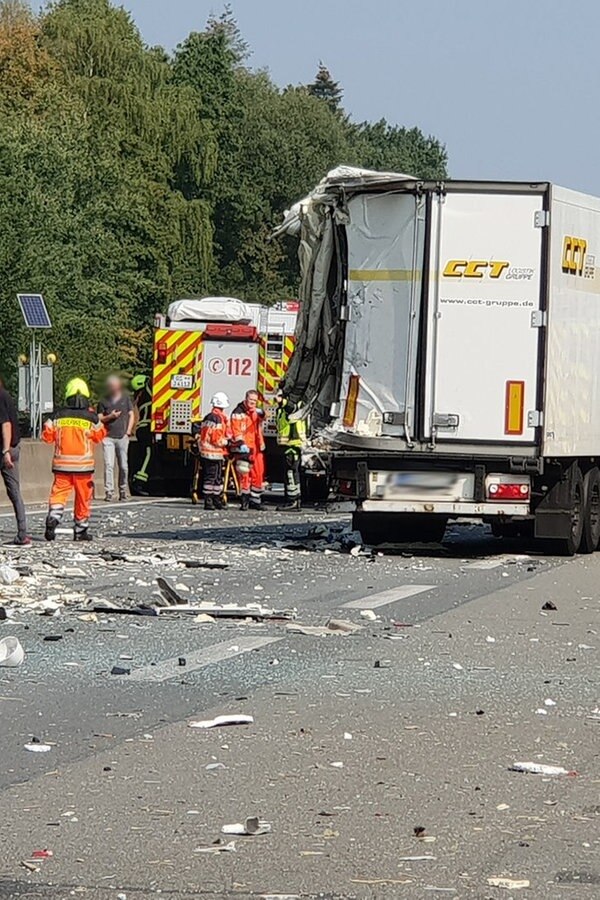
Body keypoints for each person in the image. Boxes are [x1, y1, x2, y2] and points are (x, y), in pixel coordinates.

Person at [42, 378, 106, 542]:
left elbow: (47, 436)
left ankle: (54, 516)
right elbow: (100, 436)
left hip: (61, 466)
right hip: (83, 468)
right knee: (82, 499)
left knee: (59, 494)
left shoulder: (57, 416)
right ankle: (80, 530)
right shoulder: (91, 418)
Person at [0, 376, 30, 545]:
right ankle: (22, 533)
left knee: (14, 491)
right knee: (14, 491)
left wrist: (5, 451)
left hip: (6, 449)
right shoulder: (5, 395)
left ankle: (22, 532)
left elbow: (5, 425)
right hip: (14, 446)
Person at [98, 375, 134, 502]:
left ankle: (123, 490)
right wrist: (110, 416)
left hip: (122, 437)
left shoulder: (125, 398)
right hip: (108, 437)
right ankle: (109, 491)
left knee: (123, 465)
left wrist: (128, 431)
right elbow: (99, 418)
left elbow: (131, 414)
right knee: (109, 465)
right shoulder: (103, 400)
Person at [231, 390, 265, 511]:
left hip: (256, 447)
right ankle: (244, 500)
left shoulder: (255, 412)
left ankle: (255, 501)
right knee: (244, 474)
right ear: (246, 399)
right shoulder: (238, 413)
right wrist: (241, 444)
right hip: (245, 447)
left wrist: (262, 412)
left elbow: (263, 417)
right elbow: (236, 430)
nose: (253, 403)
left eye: (255, 401)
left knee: (258, 473)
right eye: (251, 400)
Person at [198, 392, 230, 510]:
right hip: (214, 452)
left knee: (216, 477)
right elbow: (216, 439)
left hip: (208, 452)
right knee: (212, 477)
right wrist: (228, 442)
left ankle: (216, 499)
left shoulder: (209, 417)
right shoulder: (217, 419)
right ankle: (209, 500)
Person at [275, 392, 307, 511]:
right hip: (290, 446)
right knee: (293, 474)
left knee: (290, 475)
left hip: (292, 446)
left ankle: (292, 501)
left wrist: (281, 402)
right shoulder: (286, 409)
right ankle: (296, 500)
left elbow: (291, 407)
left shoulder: (293, 407)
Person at [130, 374, 152, 494]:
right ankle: (139, 482)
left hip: (142, 428)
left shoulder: (140, 397)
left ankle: (139, 480)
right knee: (148, 454)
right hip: (146, 428)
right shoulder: (147, 394)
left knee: (145, 454)